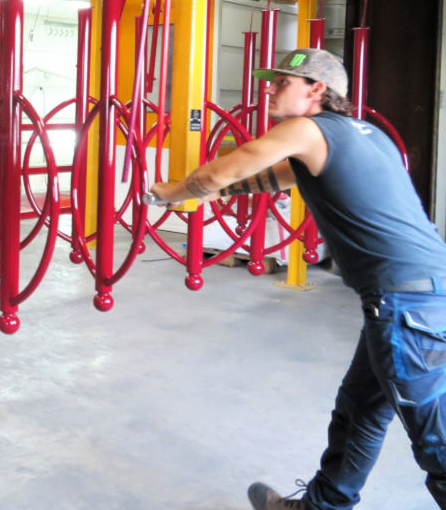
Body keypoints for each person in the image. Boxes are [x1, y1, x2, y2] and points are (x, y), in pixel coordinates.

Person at [149, 47, 446, 510]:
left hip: (405, 304)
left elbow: (228, 166)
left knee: (435, 443)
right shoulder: (364, 135)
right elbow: (271, 177)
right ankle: (323, 506)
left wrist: (173, 192)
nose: (269, 88)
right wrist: (218, 192)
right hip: (417, 293)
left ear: (317, 90)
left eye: (282, 82)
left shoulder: (306, 128)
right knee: (359, 410)